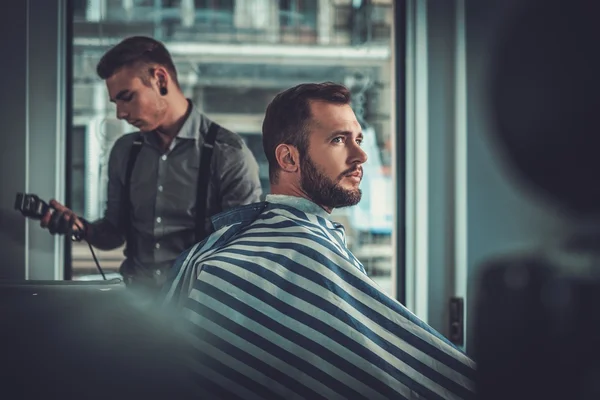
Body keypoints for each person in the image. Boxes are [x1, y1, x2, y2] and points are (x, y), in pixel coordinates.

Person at [159, 82, 476, 399]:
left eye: (359, 139)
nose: (361, 155)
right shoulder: (305, 249)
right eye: (339, 140)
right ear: (288, 159)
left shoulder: (274, 239)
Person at [40, 36, 262, 294]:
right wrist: (80, 227)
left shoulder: (228, 154)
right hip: (135, 306)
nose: (120, 113)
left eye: (127, 97)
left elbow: (244, 251)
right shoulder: (125, 151)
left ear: (160, 79)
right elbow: (113, 233)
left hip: (197, 311)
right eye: (115, 103)